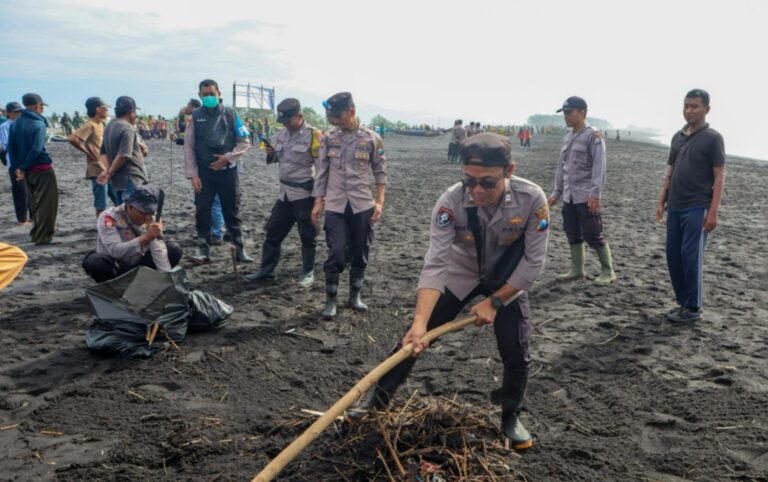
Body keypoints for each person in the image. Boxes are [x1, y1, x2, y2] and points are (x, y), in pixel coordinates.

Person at [350, 133, 548, 451]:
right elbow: (435, 265)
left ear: (509, 170)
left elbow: (533, 264)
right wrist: (419, 322)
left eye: (488, 182)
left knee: (516, 349)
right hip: (461, 273)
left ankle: (510, 416)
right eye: (469, 181)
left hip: (509, 281)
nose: (477, 190)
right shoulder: (450, 202)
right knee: (413, 339)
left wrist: (496, 301)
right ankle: (377, 401)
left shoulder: (532, 199)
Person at [311, 92, 386, 318]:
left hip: (362, 204)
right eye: (329, 115)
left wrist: (380, 202)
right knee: (336, 251)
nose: (331, 119)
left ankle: (354, 297)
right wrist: (318, 201)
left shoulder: (373, 139)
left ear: (351, 112)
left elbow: (380, 172)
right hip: (335, 204)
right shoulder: (328, 138)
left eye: (336, 115)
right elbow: (322, 171)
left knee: (360, 251)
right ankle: (330, 301)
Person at [656, 89, 725, 323]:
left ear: (706, 109)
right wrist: (661, 201)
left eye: (694, 106)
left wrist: (713, 211)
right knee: (673, 255)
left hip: (698, 206)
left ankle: (694, 308)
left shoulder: (713, 138)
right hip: (674, 205)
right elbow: (670, 171)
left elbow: (719, 176)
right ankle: (683, 303)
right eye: (686, 106)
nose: (689, 110)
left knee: (690, 256)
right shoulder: (678, 136)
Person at [246, 98, 321, 286]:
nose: (286, 125)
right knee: (273, 230)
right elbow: (277, 158)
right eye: (283, 122)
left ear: (300, 116)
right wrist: (271, 154)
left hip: (304, 194)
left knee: (307, 234)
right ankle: (267, 270)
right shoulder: (281, 134)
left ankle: (308, 272)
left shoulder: (314, 135)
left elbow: (322, 170)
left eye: (289, 121)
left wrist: (320, 201)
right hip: (285, 193)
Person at [548, 96, 616, 285]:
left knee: (593, 233)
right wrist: (556, 192)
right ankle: (577, 269)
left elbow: (599, 167)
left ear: (582, 112)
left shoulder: (593, 135)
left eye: (569, 112)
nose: (566, 116)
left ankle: (608, 271)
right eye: (564, 113)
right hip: (569, 196)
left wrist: (595, 195)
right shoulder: (568, 137)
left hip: (585, 195)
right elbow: (562, 168)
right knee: (572, 232)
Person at [184, 78, 253, 264]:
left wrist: (227, 158)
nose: (208, 97)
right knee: (202, 211)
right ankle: (203, 252)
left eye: (212, 94)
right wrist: (194, 175)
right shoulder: (194, 117)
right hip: (204, 175)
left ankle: (240, 250)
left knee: (232, 211)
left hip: (227, 172)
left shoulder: (231, 114)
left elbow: (244, 141)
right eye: (204, 95)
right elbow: (189, 148)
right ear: (199, 95)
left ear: (219, 94)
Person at [82, 186, 182, 283]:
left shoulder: (152, 218)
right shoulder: (108, 217)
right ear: (130, 206)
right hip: (115, 265)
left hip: (138, 264)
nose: (147, 217)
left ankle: (145, 282)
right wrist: (145, 237)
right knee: (95, 262)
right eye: (143, 212)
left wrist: (165, 278)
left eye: (150, 212)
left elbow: (158, 250)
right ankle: (112, 287)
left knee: (173, 249)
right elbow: (115, 251)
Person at [7, 93, 59, 245]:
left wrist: (19, 168)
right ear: (37, 106)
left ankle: (36, 233)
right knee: (48, 204)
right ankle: (44, 237)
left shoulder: (15, 123)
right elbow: (36, 150)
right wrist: (23, 166)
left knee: (34, 203)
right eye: (42, 106)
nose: (42, 109)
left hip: (26, 170)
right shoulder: (39, 123)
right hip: (42, 168)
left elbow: (12, 148)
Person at [98, 96, 149, 205]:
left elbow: (103, 153)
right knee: (133, 213)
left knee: (122, 214)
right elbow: (123, 155)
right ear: (131, 112)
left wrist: (108, 171)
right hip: (131, 178)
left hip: (118, 182)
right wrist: (110, 173)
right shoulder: (128, 128)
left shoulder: (109, 126)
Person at [68, 97, 112, 217]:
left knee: (116, 196)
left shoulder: (101, 124)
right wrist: (87, 152)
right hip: (97, 168)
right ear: (98, 110)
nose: (107, 111)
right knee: (101, 202)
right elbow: (73, 138)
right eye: (105, 108)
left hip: (106, 167)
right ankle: (101, 229)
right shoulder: (90, 124)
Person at [0, 102, 30, 225]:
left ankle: (33, 216)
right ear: (9, 113)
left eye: (20, 111)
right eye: (15, 112)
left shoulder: (24, 124)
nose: (19, 114)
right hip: (15, 163)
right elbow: (8, 145)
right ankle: (22, 219)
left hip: (27, 162)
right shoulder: (5, 127)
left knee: (31, 190)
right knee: (20, 191)